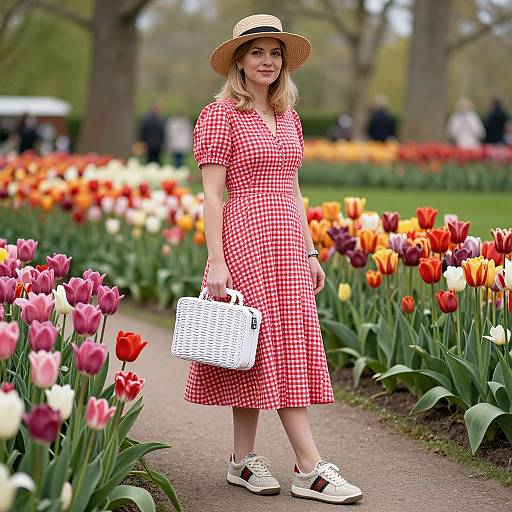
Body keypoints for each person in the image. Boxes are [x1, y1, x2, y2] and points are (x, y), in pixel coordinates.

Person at [183, 14, 363, 505]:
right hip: (244, 242)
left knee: (260, 353)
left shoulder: (288, 116)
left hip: (286, 242)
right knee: (271, 349)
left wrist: (309, 250)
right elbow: (212, 196)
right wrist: (216, 261)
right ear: (238, 60)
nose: (267, 61)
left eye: (275, 52)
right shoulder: (220, 115)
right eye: (257, 52)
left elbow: (293, 186)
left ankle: (242, 461)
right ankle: (309, 467)